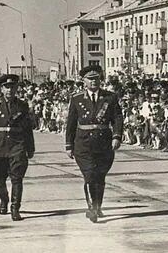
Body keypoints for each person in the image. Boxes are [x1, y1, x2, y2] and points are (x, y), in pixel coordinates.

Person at [65, 65, 123, 223]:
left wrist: (117, 136)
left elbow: (117, 117)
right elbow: (71, 123)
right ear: (84, 81)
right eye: (90, 79)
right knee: (90, 175)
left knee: (100, 177)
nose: (94, 82)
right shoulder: (77, 98)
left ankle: (98, 206)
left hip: (104, 143)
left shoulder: (110, 97)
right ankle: (92, 208)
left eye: (96, 78)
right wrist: (68, 145)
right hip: (83, 144)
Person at [0, 74, 35, 221]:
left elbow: (27, 128)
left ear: (16, 88)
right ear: (1, 89)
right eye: (6, 87)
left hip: (17, 145)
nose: (9, 90)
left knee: (17, 177)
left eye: (12, 87)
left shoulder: (22, 105)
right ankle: (4, 200)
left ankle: (15, 208)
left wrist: (30, 147)